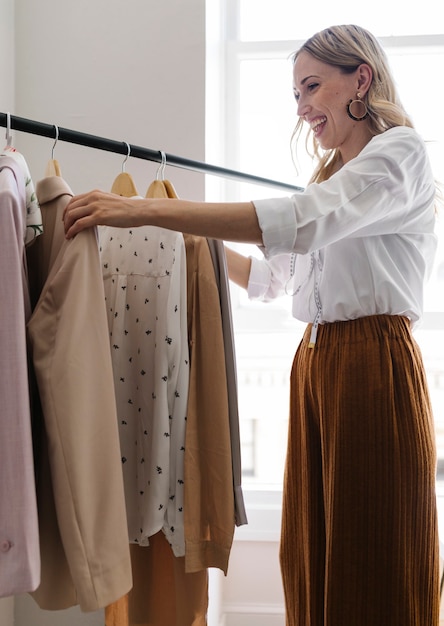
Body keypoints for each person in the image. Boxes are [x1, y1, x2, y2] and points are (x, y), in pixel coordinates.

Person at [63, 24, 440, 626]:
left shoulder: (399, 155)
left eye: (312, 87)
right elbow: (273, 280)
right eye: (295, 94)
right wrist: (180, 228)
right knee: (312, 553)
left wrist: (143, 210)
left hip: (372, 363)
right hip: (316, 363)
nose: (302, 108)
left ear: (360, 79)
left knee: (373, 555)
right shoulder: (332, 180)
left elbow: (301, 222)